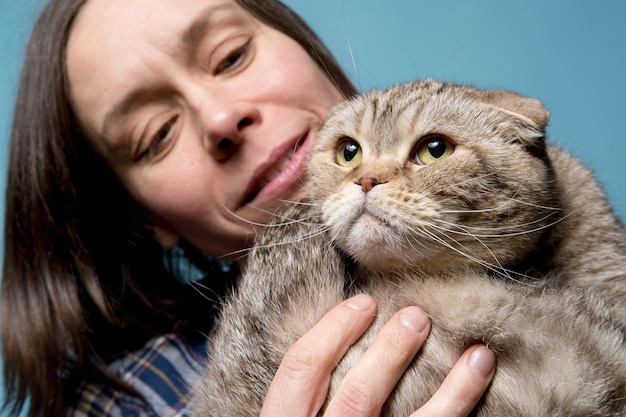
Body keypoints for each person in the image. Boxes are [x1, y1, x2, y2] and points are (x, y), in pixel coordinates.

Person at [0, 0, 497, 416]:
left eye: (231, 56)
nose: (221, 118)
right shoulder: (129, 401)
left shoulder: (545, 225)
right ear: (147, 220)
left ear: (305, 45)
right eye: (156, 135)